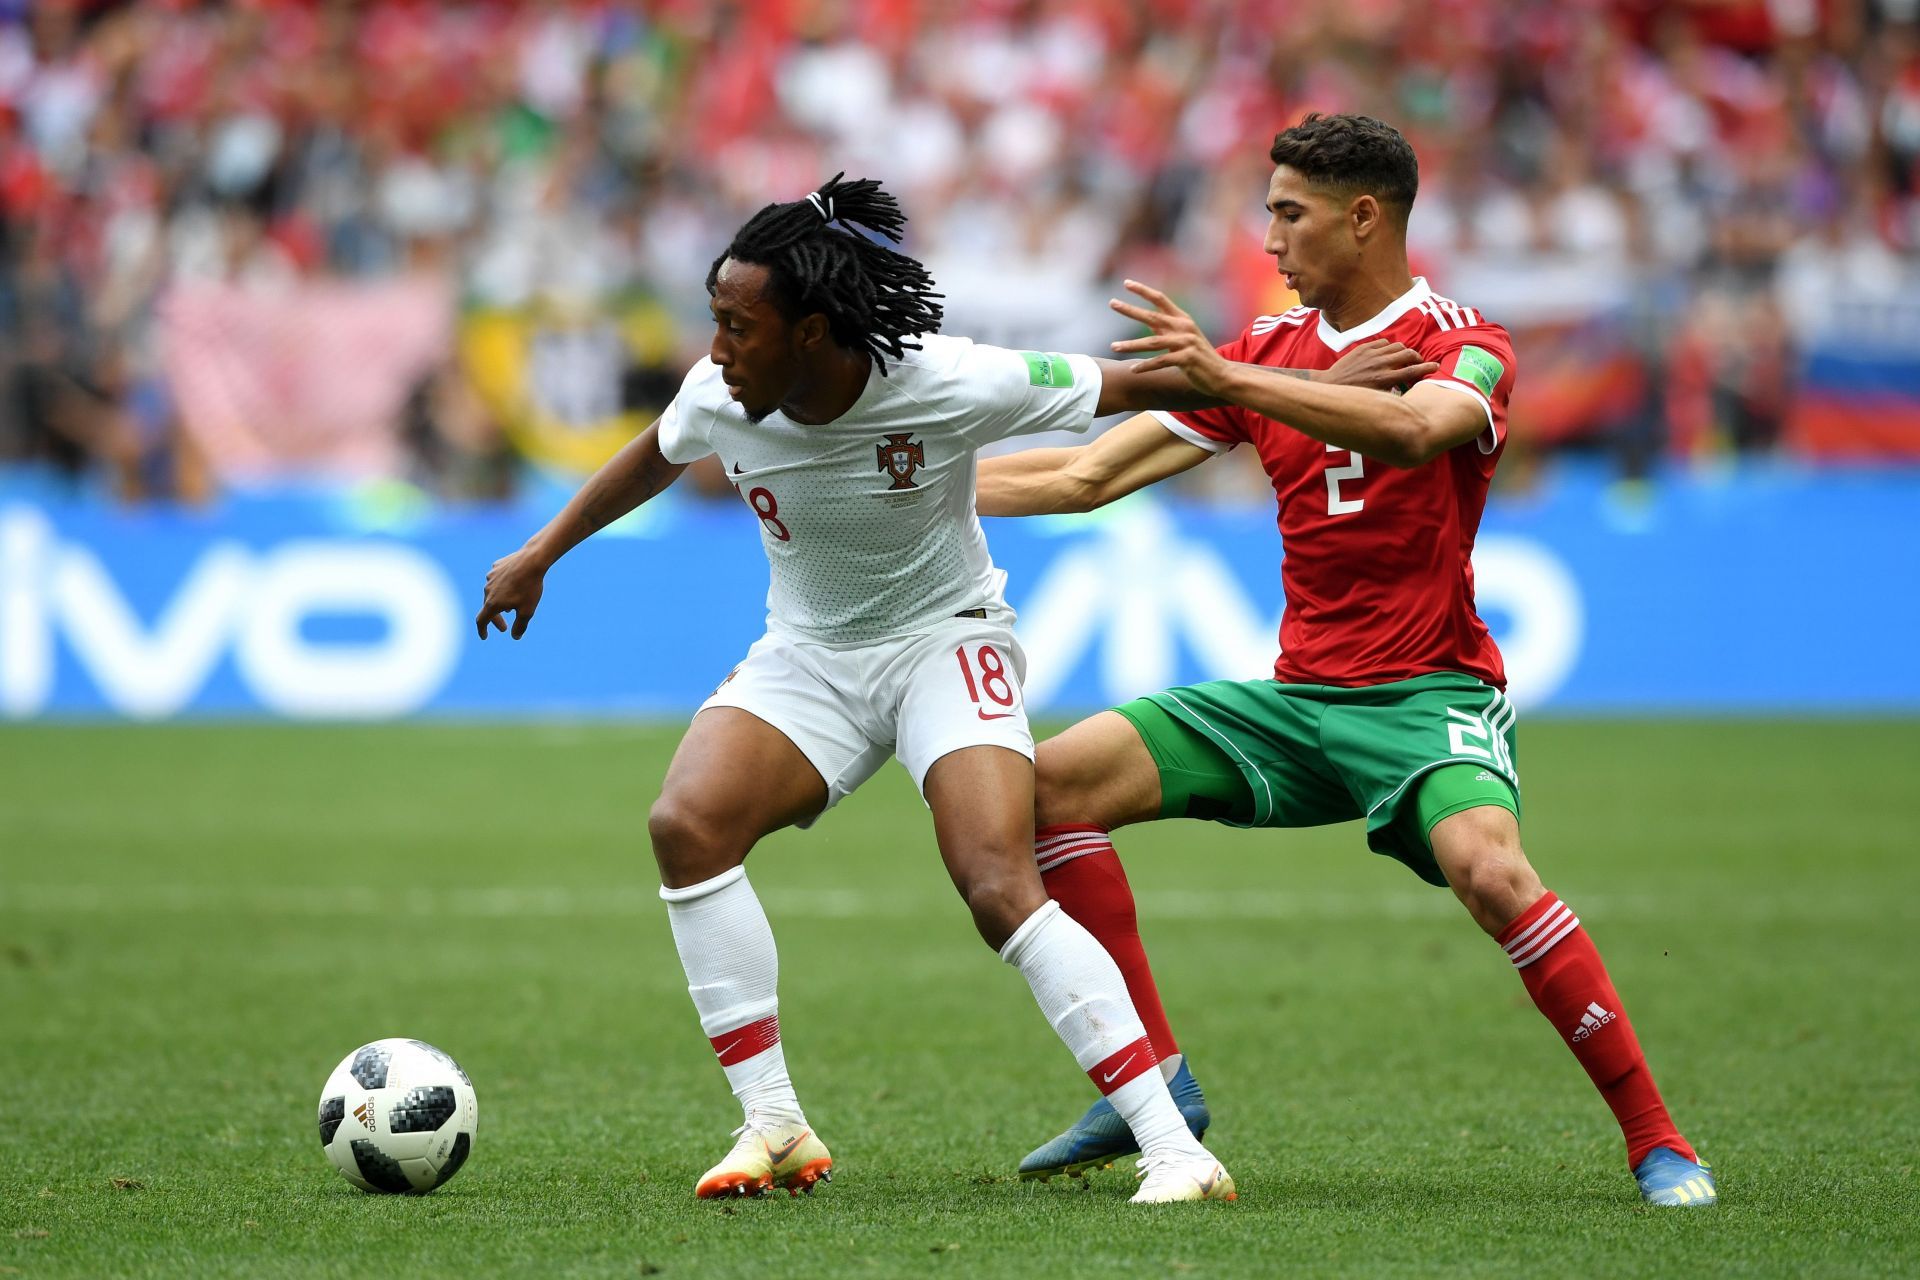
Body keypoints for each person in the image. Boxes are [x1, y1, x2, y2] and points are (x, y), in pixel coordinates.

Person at [474, 174, 1425, 1203]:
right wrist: (541, 551)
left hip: (946, 643)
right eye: (716, 321)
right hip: (808, 657)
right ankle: (775, 1123)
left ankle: (1176, 1148)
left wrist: (1317, 381)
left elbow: (1142, 383)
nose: (715, 349)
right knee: (686, 824)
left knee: (997, 879)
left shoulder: (951, 378)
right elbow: (654, 455)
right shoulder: (721, 390)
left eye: (739, 325)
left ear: (814, 330)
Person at [977, 115, 1718, 1208]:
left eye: (1289, 213)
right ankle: (1160, 1084)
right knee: (1044, 790)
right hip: (1294, 699)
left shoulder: (1468, 339)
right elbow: (1080, 479)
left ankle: (1659, 1140)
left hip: (1426, 692)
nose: (1268, 240)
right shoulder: (1266, 354)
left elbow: (1418, 431)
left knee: (1492, 869)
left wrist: (1231, 377)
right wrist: (881, 479)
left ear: (1362, 216)